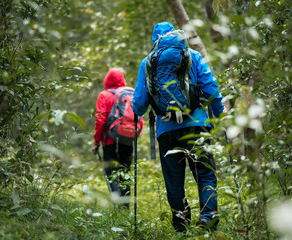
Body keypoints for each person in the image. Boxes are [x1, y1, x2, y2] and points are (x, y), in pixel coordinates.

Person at [132, 22, 226, 233]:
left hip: (166, 131)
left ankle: (181, 227)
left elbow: (138, 105)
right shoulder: (192, 55)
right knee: (205, 173)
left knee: (174, 181)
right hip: (197, 126)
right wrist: (220, 113)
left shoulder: (148, 63)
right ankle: (208, 217)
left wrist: (136, 110)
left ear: (155, 40)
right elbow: (211, 87)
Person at [92, 68, 142, 207]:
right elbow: (139, 119)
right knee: (125, 174)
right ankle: (125, 209)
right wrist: (133, 135)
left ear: (107, 80)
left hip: (110, 141)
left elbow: (100, 120)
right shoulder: (130, 94)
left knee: (112, 174)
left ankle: (117, 207)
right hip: (128, 140)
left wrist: (97, 141)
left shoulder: (104, 95)